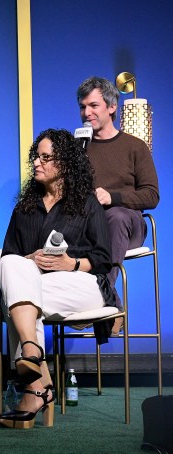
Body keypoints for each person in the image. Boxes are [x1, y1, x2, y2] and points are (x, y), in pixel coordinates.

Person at [0, 129, 116, 429]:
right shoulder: (24, 208)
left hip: (82, 284)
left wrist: (70, 263)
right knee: (13, 266)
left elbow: (104, 259)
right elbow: (9, 256)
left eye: (45, 157)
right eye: (36, 156)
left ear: (64, 163)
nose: (37, 162)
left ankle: (34, 382)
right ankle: (33, 357)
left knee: (18, 300)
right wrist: (30, 259)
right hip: (37, 286)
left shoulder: (87, 203)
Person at [76, 77, 159, 334]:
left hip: (126, 224)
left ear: (112, 107)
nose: (86, 113)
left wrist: (113, 198)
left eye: (93, 106)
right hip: (88, 227)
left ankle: (99, 297)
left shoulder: (135, 147)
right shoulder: (77, 148)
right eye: (82, 107)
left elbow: (152, 196)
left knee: (116, 216)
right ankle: (111, 304)